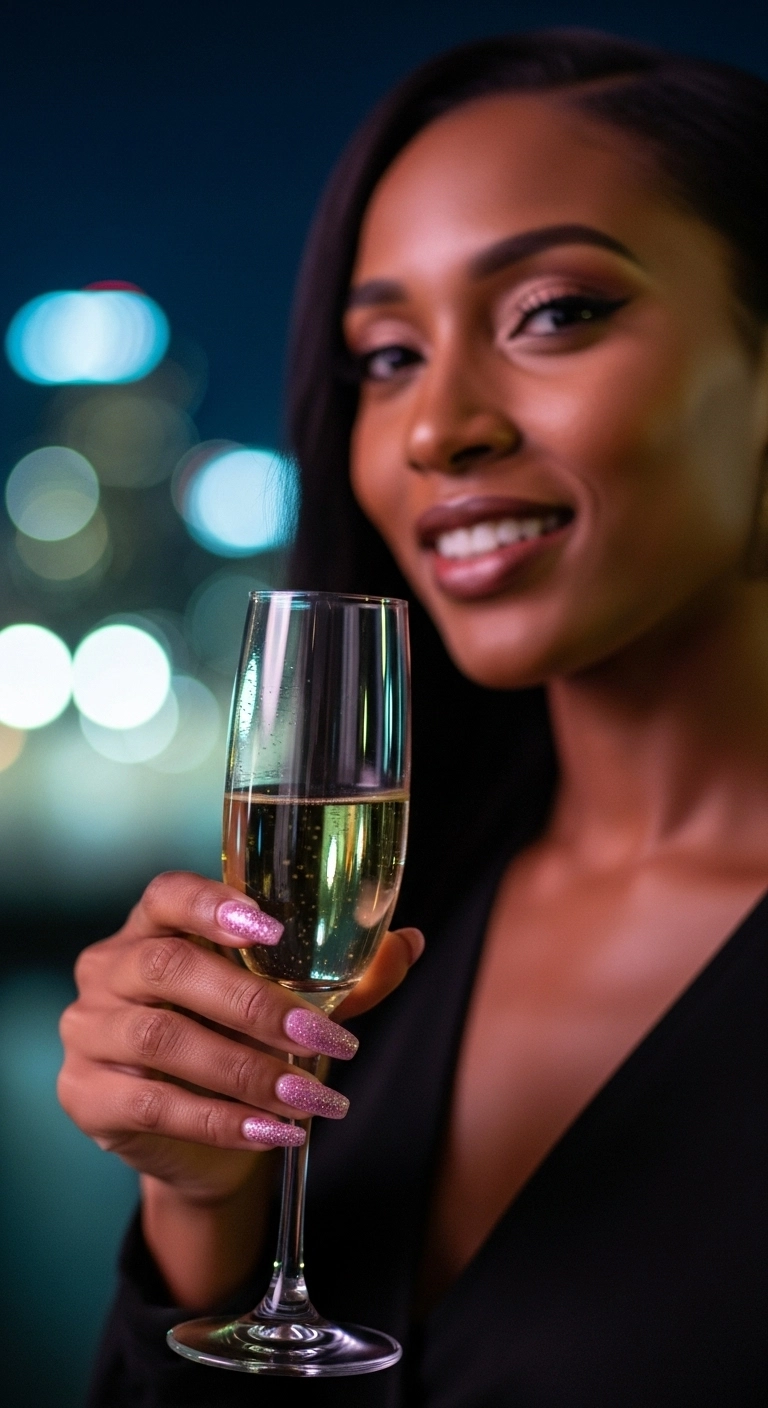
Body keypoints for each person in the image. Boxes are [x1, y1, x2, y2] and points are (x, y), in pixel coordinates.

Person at [58, 29, 767, 1407]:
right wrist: (204, 1208)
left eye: (554, 311)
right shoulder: (388, 936)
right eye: (385, 356)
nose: (437, 426)